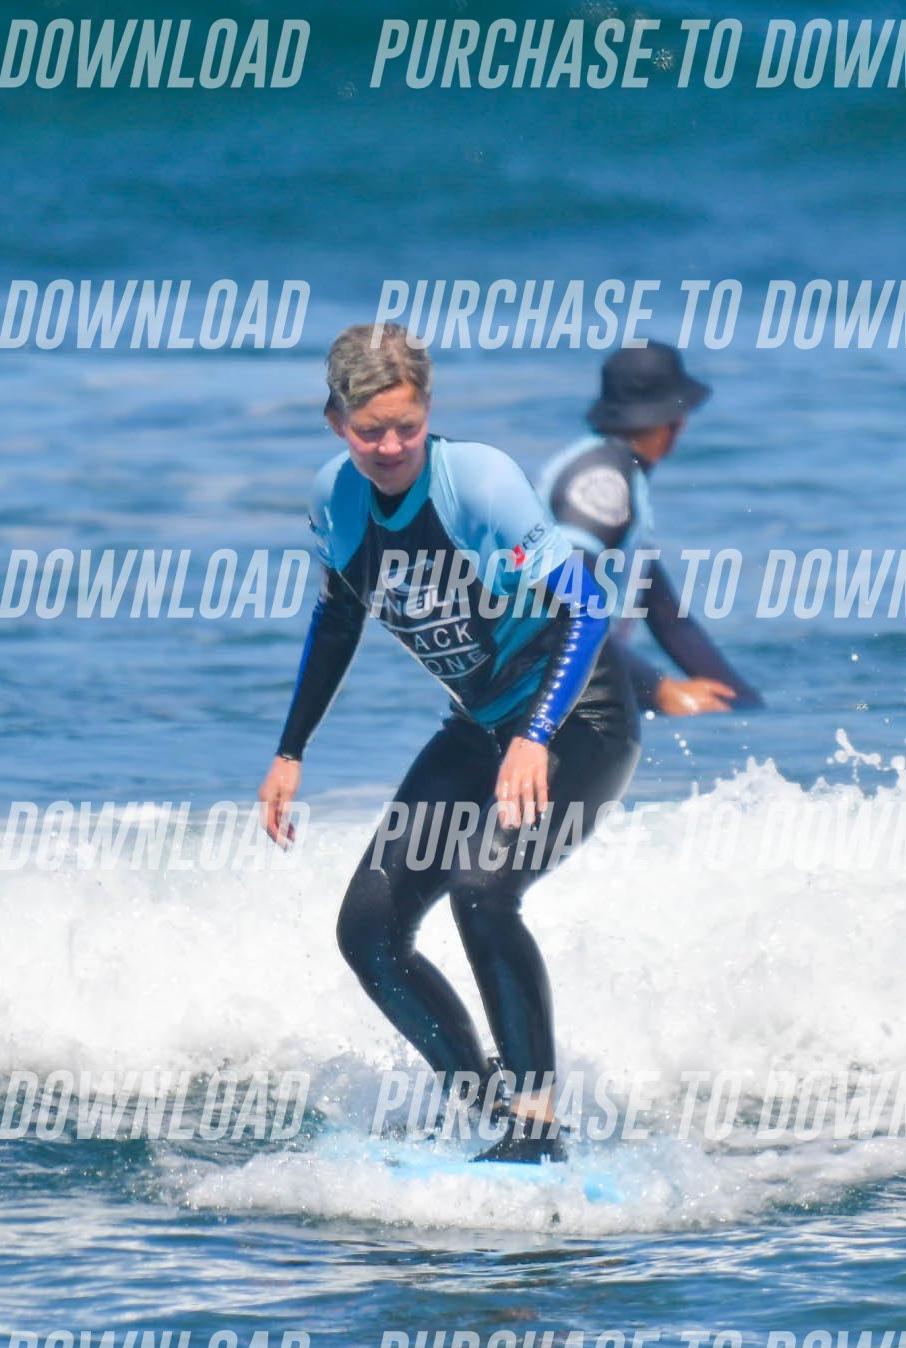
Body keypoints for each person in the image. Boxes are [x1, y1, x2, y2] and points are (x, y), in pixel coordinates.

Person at [258, 324, 636, 1163]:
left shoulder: (481, 483)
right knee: (368, 930)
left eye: (408, 424)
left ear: (428, 411)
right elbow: (338, 618)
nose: (391, 445)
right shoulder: (335, 500)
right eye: (371, 430)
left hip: (581, 717)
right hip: (480, 728)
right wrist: (291, 751)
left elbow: (586, 607)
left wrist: (536, 733)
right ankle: (480, 1104)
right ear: (336, 421)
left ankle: (535, 1128)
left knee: (483, 888)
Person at [535, 341, 764, 717]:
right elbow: (562, 607)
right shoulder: (603, 480)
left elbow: (668, 619)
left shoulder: (619, 474)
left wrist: (748, 707)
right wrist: (661, 691)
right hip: (545, 706)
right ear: (673, 423)